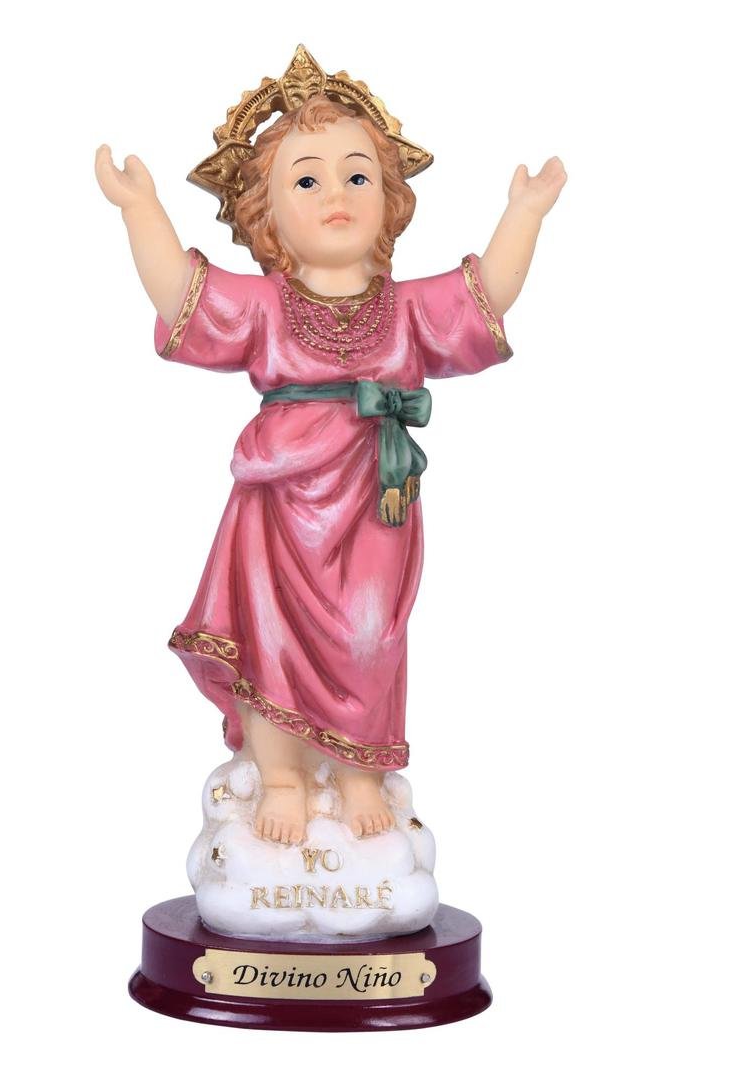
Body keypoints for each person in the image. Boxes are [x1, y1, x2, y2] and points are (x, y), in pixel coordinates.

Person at [96, 90, 566, 848]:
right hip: (281, 502)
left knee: (371, 632)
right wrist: (139, 209)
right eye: (307, 180)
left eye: (357, 175)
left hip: (378, 493)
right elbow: (183, 294)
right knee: (272, 635)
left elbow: (483, 297)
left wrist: (526, 214)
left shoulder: (406, 308)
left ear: (390, 198)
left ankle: (359, 773)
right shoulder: (266, 305)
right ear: (266, 213)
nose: (335, 195)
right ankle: (281, 776)